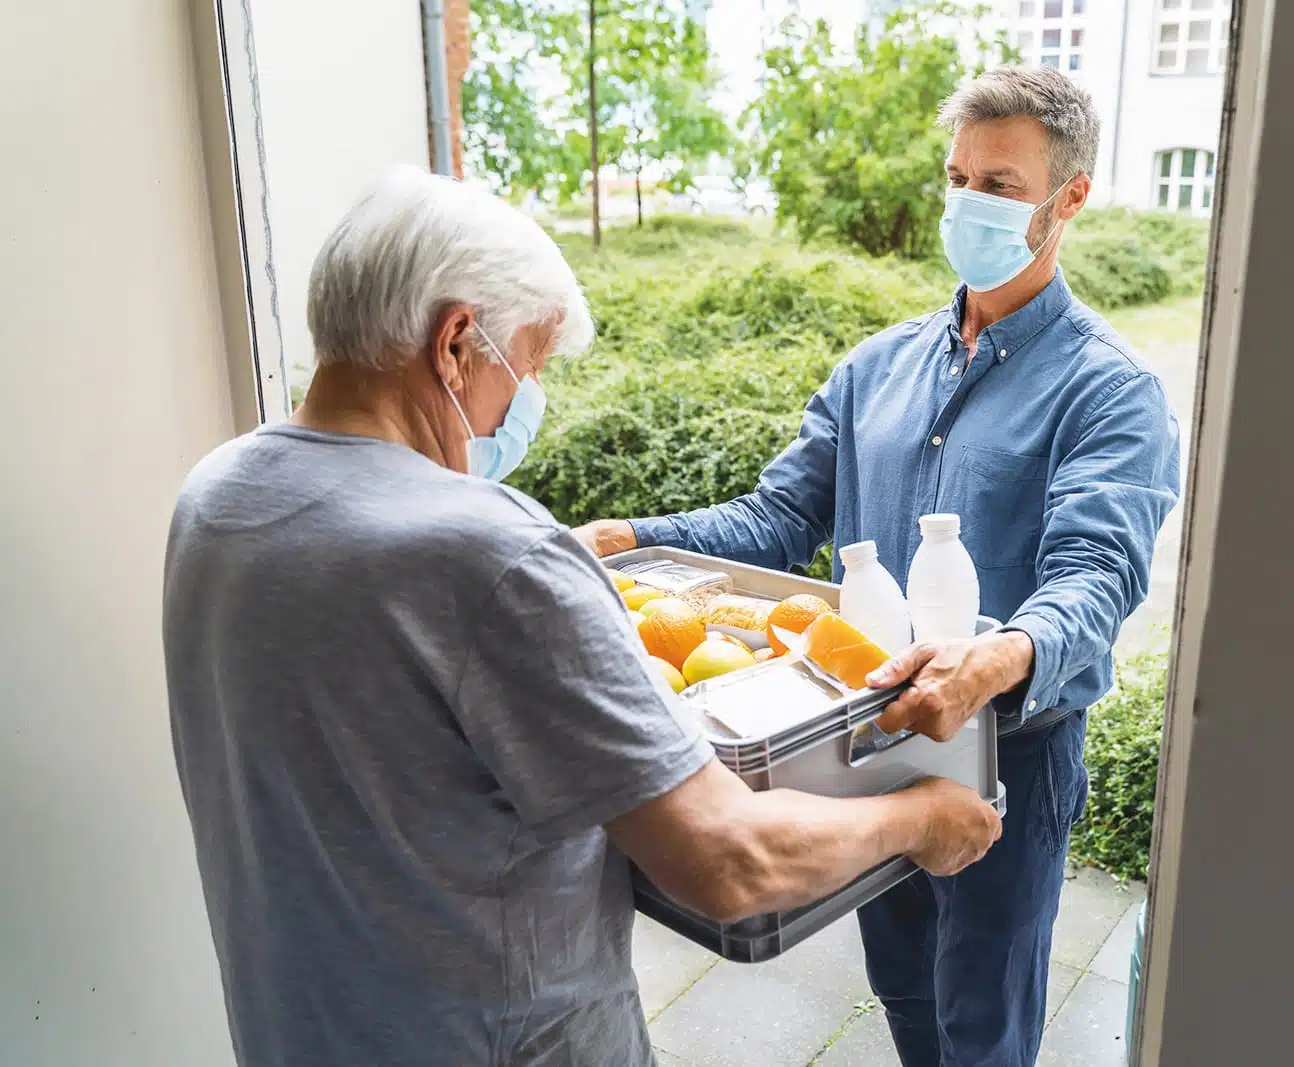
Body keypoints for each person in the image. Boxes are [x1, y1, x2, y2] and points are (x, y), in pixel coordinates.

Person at [162, 166, 1002, 1067]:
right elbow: (728, 861)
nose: (525, 398)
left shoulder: (214, 498)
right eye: (527, 365)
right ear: (453, 343)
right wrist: (923, 814)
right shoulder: (490, 551)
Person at [576, 66, 1182, 1067]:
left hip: (1005, 758)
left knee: (982, 1022)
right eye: (956, 176)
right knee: (901, 986)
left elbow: (1094, 576)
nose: (966, 202)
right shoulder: (874, 371)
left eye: (998, 183)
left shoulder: (1104, 391)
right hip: (862, 738)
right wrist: (629, 536)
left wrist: (990, 661)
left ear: (1068, 199)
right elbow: (775, 519)